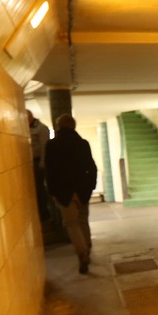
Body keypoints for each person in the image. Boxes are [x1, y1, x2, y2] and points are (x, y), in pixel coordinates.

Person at [45, 114, 98, 274]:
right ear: (74, 126)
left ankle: (82, 253)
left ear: (58, 126)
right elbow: (91, 167)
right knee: (83, 220)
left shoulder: (52, 145)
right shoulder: (82, 144)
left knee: (72, 224)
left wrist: (52, 192)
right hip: (82, 190)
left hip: (63, 192)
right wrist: (90, 187)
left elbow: (50, 171)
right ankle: (87, 248)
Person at [26, 109, 50, 220]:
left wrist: (42, 163)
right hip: (31, 162)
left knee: (39, 188)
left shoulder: (41, 128)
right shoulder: (27, 128)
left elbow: (45, 147)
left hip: (37, 161)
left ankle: (44, 212)